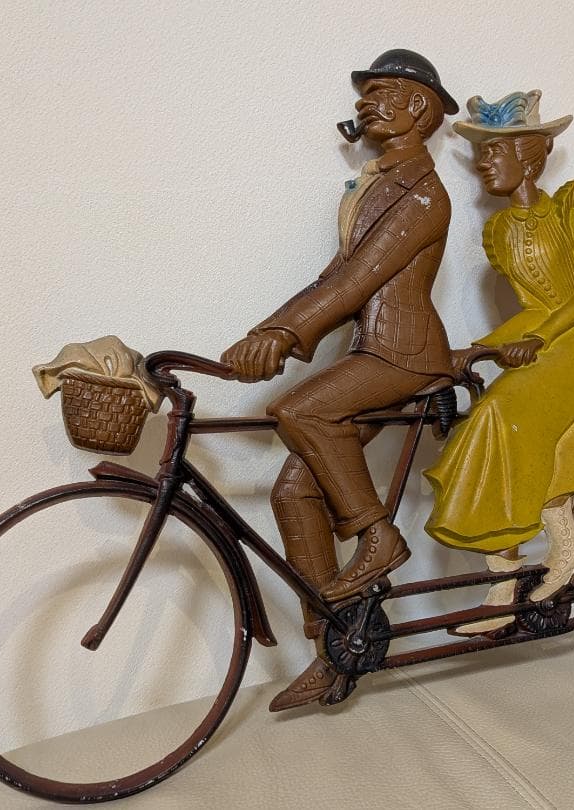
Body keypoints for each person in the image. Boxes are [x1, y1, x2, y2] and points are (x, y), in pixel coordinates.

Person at [221, 50, 459, 710]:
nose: (364, 103)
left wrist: (284, 338)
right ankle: (334, 649)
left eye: (381, 92)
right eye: (364, 94)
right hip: (372, 350)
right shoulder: (379, 186)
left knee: (300, 410)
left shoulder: (424, 194)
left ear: (418, 107)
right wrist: (268, 331)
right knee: (293, 491)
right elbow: (332, 276)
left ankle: (377, 537)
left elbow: (358, 282)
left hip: (404, 354)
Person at [424, 90, 574, 636]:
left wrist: (538, 338)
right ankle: (524, 569)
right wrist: (479, 349)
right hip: (551, 341)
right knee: (489, 423)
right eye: (480, 154)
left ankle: (523, 574)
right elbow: (531, 309)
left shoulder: (570, 212)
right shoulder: (500, 232)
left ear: (528, 157)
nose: (483, 163)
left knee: (505, 413)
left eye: (494, 152)